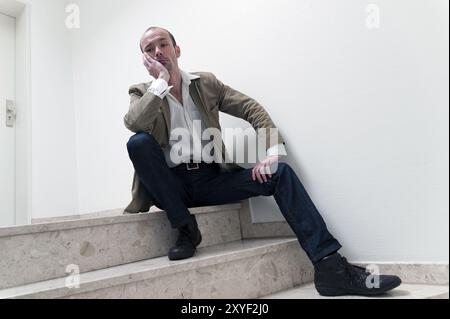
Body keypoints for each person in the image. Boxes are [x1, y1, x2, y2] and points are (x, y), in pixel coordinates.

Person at [123, 26, 401, 296]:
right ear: (145, 59)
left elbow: (249, 107)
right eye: (149, 49)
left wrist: (271, 153)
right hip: (173, 187)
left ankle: (330, 267)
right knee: (139, 143)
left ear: (177, 49)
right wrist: (159, 84)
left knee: (280, 172)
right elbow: (134, 122)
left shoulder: (205, 83)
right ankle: (185, 228)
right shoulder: (141, 92)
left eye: (163, 44)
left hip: (211, 179)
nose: (158, 51)